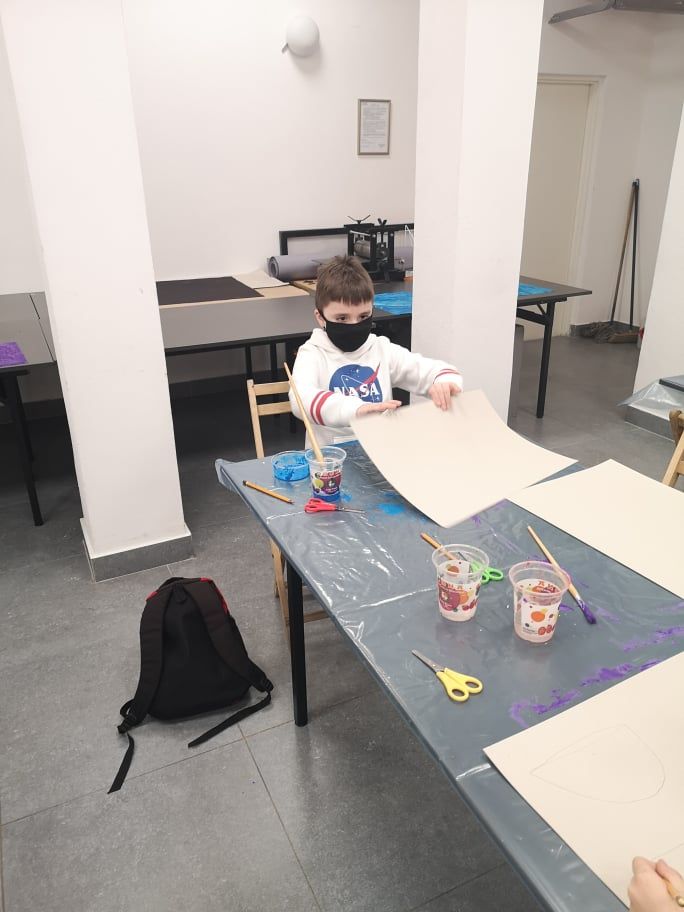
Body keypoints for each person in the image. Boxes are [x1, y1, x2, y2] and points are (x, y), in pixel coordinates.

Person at [289, 255, 462, 446]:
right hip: (330, 461)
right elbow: (301, 400)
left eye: (364, 316)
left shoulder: (381, 349)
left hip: (380, 454)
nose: (354, 325)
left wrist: (444, 383)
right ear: (320, 317)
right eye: (342, 318)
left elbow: (432, 370)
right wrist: (357, 410)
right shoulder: (312, 354)